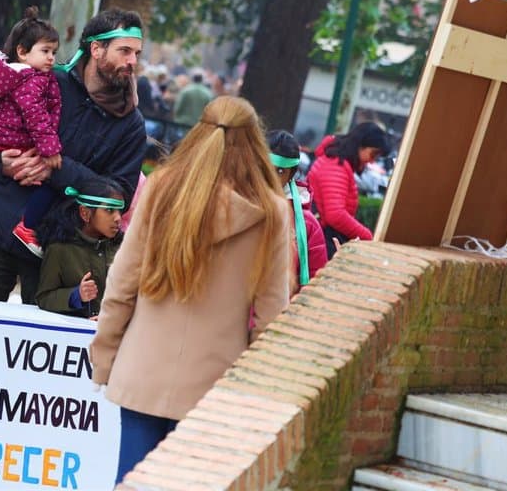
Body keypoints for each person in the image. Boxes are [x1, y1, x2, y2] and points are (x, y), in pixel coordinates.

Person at [91, 96, 290, 483]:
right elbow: (271, 318)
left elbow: (122, 283)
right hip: (215, 387)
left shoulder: (162, 189)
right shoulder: (272, 211)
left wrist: (105, 356)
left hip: (142, 370)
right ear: (255, 143)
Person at [0, 9, 145, 303]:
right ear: (96, 49)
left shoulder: (131, 124)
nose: (133, 62)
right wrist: (0, 164)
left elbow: (120, 194)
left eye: (137, 53)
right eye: (124, 51)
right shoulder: (46, 78)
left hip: (57, 252)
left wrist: (56, 171)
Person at [0, 7, 62, 256]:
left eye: (54, 52)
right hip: (14, 149)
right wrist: (49, 149)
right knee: (53, 184)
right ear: (22, 51)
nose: (52, 58)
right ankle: (28, 227)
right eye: (45, 51)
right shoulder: (31, 79)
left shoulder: (1, 78)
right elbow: (35, 115)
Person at [35, 182, 125, 318]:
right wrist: (76, 296)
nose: (118, 218)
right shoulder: (60, 249)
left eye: (120, 211)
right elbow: (44, 297)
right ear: (85, 213)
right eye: (109, 210)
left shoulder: (124, 249)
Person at [307, 121, 388, 258]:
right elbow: (335, 214)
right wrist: (366, 236)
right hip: (322, 239)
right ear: (360, 145)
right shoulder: (335, 164)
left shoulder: (335, 161)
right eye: (373, 154)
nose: (372, 161)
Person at [267, 129, 328, 293]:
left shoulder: (308, 225)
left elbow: (314, 284)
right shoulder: (233, 205)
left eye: (280, 171)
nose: (270, 177)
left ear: (291, 175)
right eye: (265, 168)